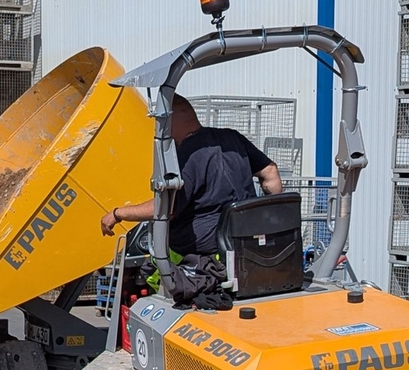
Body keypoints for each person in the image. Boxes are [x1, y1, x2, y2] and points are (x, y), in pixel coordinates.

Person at [100, 93, 283, 256]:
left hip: (203, 249)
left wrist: (118, 214)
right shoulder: (232, 137)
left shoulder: (185, 156)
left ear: (168, 122)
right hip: (246, 239)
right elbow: (271, 172)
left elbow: (165, 208)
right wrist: (270, 221)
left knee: (156, 260)